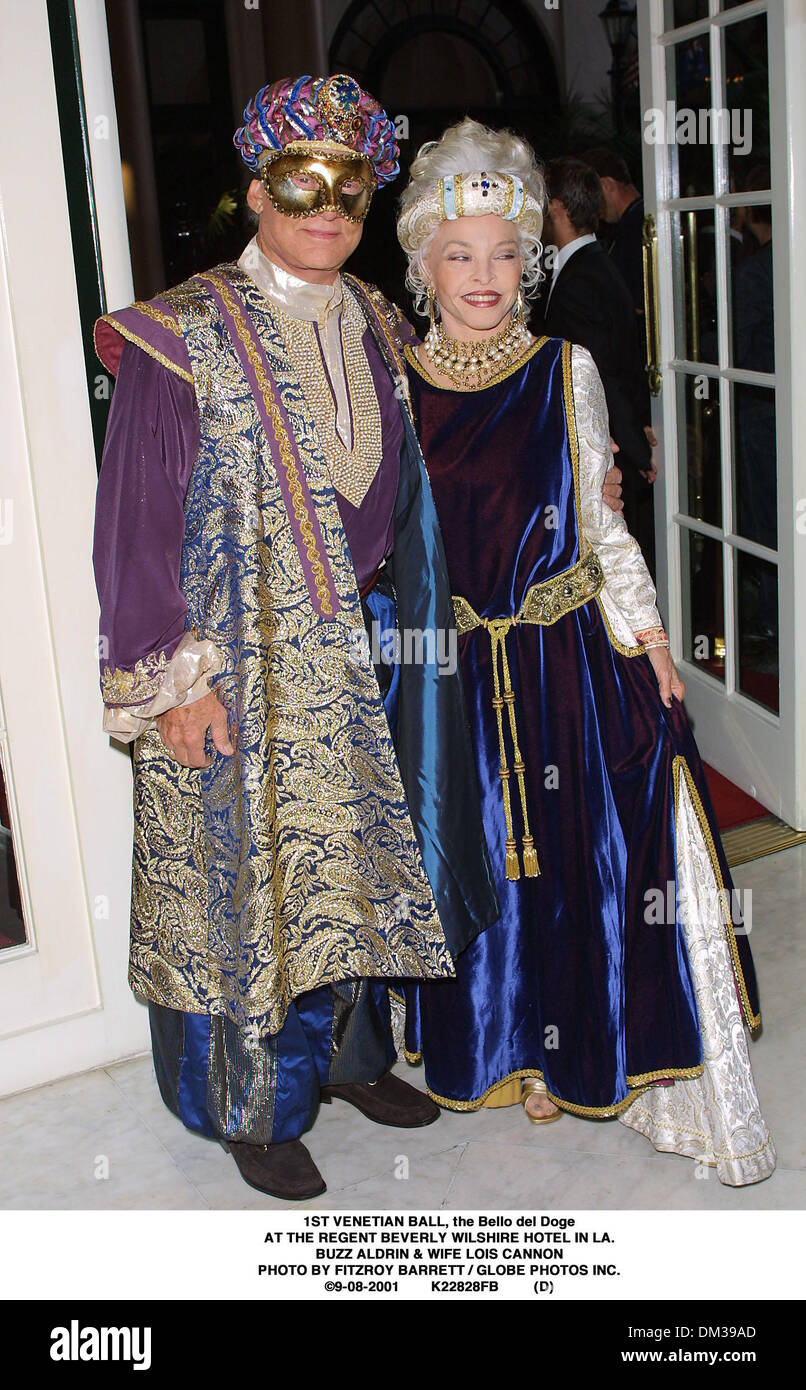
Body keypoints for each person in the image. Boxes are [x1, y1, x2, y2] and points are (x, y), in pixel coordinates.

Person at [91, 74, 503, 1201]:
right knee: (249, 880)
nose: (326, 209)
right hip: (240, 658)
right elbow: (131, 527)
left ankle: (353, 1060)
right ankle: (252, 1107)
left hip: (371, 644)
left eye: (349, 188)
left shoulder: (375, 315)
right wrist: (172, 681)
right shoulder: (175, 333)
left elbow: (439, 449)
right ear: (254, 189)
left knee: (365, 857)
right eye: (299, 182)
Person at [395, 118, 775, 1186]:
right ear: (423, 264)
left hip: (567, 660)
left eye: (504, 250)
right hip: (459, 677)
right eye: (457, 253)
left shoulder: (566, 369)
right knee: (482, 869)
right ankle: (508, 1048)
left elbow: (604, 528)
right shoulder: (395, 388)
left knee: (586, 868)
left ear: (531, 258)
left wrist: (651, 641)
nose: (483, 274)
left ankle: (591, 1051)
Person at [537, 157, 656, 571]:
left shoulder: (582, 279)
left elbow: (599, 374)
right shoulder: (591, 265)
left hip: (606, 451)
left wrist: (640, 452)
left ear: (556, 208)